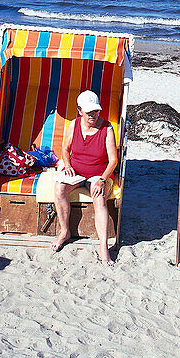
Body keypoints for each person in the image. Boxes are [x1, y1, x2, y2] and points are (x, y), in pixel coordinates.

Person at [52, 89, 119, 265]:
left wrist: (103, 179)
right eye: (89, 112)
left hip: (98, 173)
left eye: (96, 111)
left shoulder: (107, 128)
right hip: (76, 172)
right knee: (59, 188)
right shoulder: (74, 125)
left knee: (99, 197)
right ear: (79, 110)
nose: (93, 115)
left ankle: (103, 247)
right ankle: (64, 231)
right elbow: (65, 150)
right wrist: (67, 165)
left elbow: (113, 160)